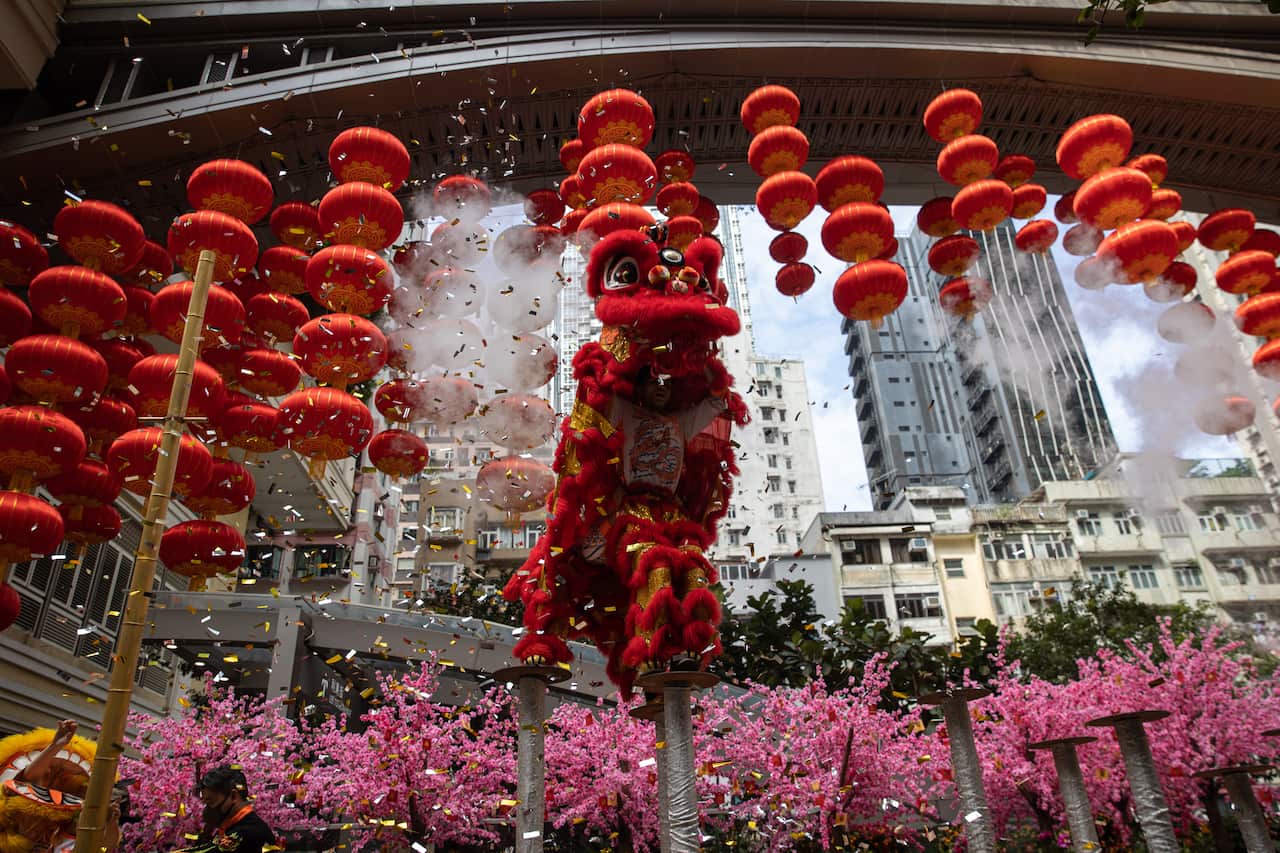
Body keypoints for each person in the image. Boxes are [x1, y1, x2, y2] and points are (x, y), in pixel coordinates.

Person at [172, 766, 274, 853]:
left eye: (211, 801)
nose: (208, 808)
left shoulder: (249, 831)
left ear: (233, 796)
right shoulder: (231, 825)